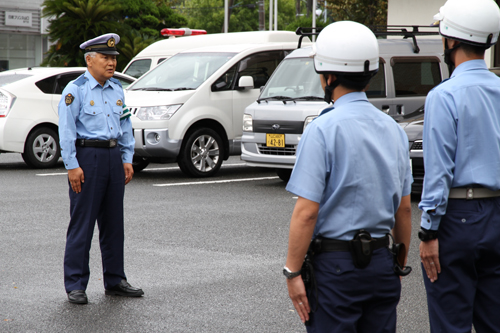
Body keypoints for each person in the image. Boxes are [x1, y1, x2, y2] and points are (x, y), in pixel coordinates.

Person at [283, 21, 412, 332]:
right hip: (382, 260)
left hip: (336, 266)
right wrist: (398, 264)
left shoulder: (322, 129)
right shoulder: (394, 130)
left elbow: (306, 213)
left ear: (328, 76)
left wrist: (292, 272)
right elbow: (404, 209)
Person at [418, 0, 500, 331]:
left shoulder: (444, 96)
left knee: (451, 323)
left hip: (457, 218)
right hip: (497, 215)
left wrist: (428, 230)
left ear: (450, 39)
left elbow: (438, 173)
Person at [58, 33, 143, 304]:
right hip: (88, 157)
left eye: (114, 58)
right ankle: (75, 283)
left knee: (113, 224)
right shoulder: (76, 90)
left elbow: (125, 125)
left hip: (112, 157)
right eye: (106, 58)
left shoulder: (116, 89)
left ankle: (115, 279)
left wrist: (127, 158)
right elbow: (67, 131)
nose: (112, 63)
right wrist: (72, 165)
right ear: (89, 60)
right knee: (82, 224)